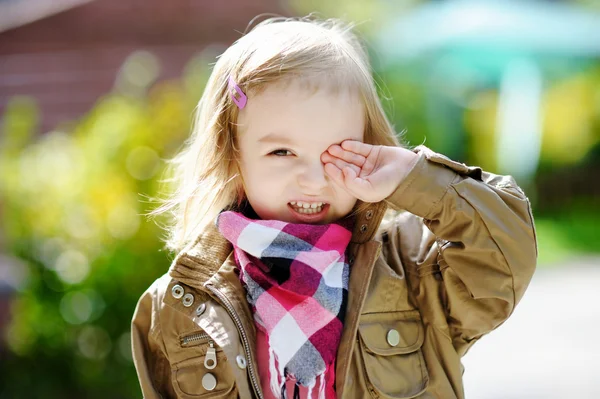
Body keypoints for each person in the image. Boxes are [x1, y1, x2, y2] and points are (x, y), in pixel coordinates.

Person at [131, 15, 537, 399]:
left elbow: (506, 257)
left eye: (336, 151)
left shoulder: (412, 267)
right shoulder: (180, 305)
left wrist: (413, 175)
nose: (313, 178)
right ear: (233, 156)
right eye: (281, 151)